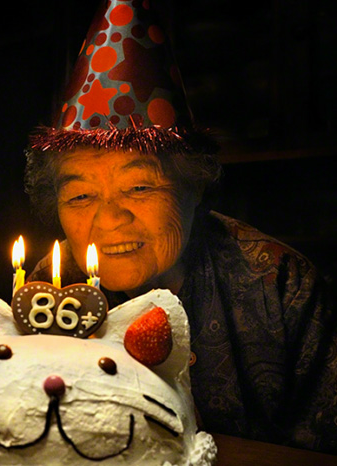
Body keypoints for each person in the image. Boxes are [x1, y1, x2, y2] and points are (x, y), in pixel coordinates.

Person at [23, 0, 337, 454]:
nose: (109, 219)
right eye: (80, 196)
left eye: (139, 188)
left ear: (194, 187)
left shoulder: (282, 286)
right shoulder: (51, 289)